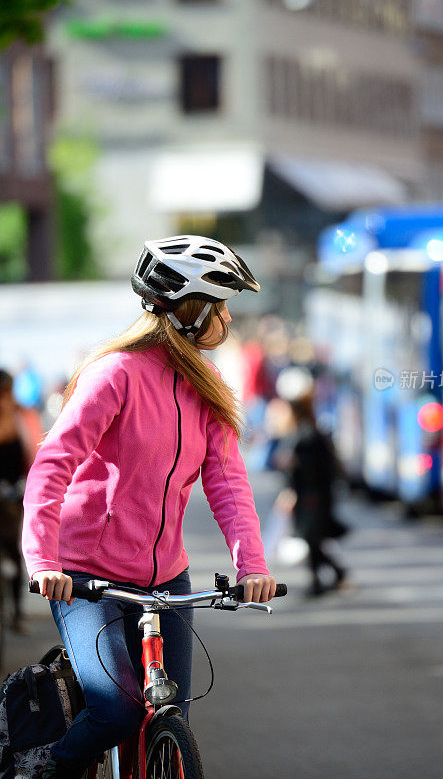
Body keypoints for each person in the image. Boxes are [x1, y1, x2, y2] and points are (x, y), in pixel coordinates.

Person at [22, 236, 277, 779]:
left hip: (166, 577)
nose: (229, 319)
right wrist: (44, 561)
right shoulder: (115, 374)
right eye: (221, 306)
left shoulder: (207, 388)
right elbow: (53, 465)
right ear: (192, 311)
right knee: (115, 711)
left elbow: (229, 483)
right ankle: (43, 772)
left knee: (169, 715)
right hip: (85, 575)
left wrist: (251, 565)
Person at [275, 366, 348, 597]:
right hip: (315, 495)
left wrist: (292, 485)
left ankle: (326, 578)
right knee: (313, 540)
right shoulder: (310, 429)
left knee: (312, 538)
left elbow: (308, 469)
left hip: (311, 496)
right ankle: (331, 576)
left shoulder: (305, 433)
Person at [0, 369, 41, 632]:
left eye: (7, 392)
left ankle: (16, 611)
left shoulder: (23, 416)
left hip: (13, 495)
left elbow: (37, 456)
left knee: (13, 551)